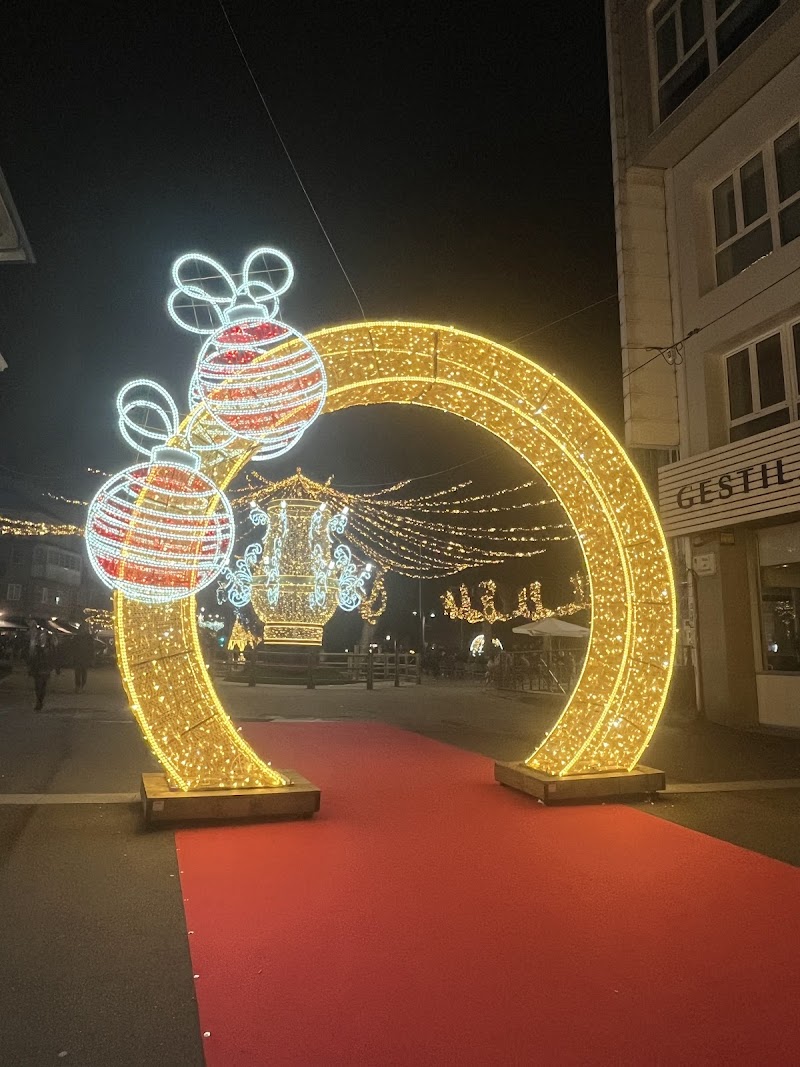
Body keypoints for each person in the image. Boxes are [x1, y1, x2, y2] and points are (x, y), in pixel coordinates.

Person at [29, 636, 54, 711]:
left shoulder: (48, 649)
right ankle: (39, 701)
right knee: (39, 686)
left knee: (41, 686)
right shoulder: (37, 649)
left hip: (43, 669)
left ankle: (39, 701)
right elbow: (32, 659)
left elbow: (52, 658)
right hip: (39, 669)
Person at [72, 622, 95, 693]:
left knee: (81, 672)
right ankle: (79, 686)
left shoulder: (85, 637)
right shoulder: (87, 638)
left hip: (82, 657)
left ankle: (80, 686)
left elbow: (91, 648)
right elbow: (91, 648)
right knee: (80, 672)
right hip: (81, 657)